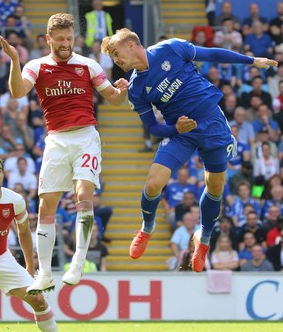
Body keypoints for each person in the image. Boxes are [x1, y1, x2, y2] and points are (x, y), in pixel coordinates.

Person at [101, 28, 277, 273]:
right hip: (180, 132)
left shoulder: (170, 48)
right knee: (153, 183)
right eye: (113, 58)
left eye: (117, 54)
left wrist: (251, 60)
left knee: (215, 187)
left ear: (131, 45)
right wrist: (176, 129)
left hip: (212, 123)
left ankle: (203, 239)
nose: (116, 61)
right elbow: (152, 128)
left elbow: (212, 54)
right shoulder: (136, 88)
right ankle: (146, 228)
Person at [0, 13, 128, 293]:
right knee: (46, 206)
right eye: (60, 40)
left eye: (69, 39)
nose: (66, 44)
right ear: (49, 40)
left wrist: (123, 89)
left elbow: (115, 99)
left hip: (85, 138)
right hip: (55, 140)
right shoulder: (37, 66)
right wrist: (14, 61)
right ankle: (44, 273)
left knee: (83, 195)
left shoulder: (88, 65)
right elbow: (18, 91)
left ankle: (78, 261)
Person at [0, 155, 58, 332]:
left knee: (38, 299)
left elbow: (24, 232)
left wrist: (30, 267)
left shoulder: (14, 200)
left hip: (2, 258)